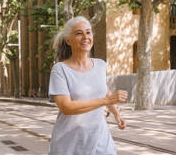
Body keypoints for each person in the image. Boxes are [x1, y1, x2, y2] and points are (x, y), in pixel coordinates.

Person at [48, 16, 127, 155]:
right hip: (70, 144)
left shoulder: (101, 65)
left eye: (88, 32)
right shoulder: (60, 70)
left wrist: (116, 114)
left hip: (100, 140)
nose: (85, 37)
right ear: (68, 40)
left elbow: (103, 90)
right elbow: (66, 107)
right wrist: (107, 101)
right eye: (79, 33)